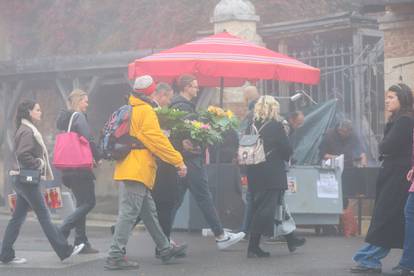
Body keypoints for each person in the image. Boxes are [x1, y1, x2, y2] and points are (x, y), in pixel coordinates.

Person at [105, 75, 188, 271]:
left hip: (131, 166)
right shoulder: (146, 111)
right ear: (150, 92)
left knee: (149, 213)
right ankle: (115, 255)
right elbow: (157, 140)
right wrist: (178, 160)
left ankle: (165, 248)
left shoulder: (132, 108)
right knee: (129, 213)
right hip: (138, 168)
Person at [0, 100, 84, 264]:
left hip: (21, 179)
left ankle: (5, 254)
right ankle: (64, 249)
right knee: (44, 216)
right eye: (37, 110)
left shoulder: (24, 128)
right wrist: (39, 163)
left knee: (17, 218)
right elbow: (23, 154)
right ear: (29, 112)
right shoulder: (27, 131)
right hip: (27, 180)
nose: (40, 112)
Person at [169, 74, 245, 250]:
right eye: (195, 86)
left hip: (184, 160)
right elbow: (188, 133)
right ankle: (220, 235)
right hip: (191, 160)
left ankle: (162, 239)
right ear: (187, 87)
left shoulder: (179, 106)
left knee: (175, 201)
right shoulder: (183, 106)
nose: (197, 89)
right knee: (204, 197)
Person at [350, 83, 414, 274]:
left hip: (398, 175)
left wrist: (384, 145)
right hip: (396, 173)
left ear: (402, 99)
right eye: (386, 97)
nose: (387, 100)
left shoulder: (404, 120)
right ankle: (371, 258)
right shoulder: (400, 119)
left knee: (386, 216)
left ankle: (369, 258)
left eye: (391, 97)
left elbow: (386, 146)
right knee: (390, 217)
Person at [245, 96, 293, 258]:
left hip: (253, 172)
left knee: (258, 208)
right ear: (274, 109)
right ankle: (253, 247)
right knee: (265, 211)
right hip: (271, 173)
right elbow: (286, 149)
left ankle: (255, 245)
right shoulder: (276, 126)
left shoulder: (251, 126)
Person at [56, 89, 101, 254]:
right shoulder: (78, 117)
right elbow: (88, 137)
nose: (87, 104)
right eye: (85, 101)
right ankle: (64, 227)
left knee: (82, 203)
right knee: (89, 202)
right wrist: (97, 155)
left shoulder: (65, 120)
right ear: (78, 101)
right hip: (80, 169)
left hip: (68, 169)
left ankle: (81, 242)